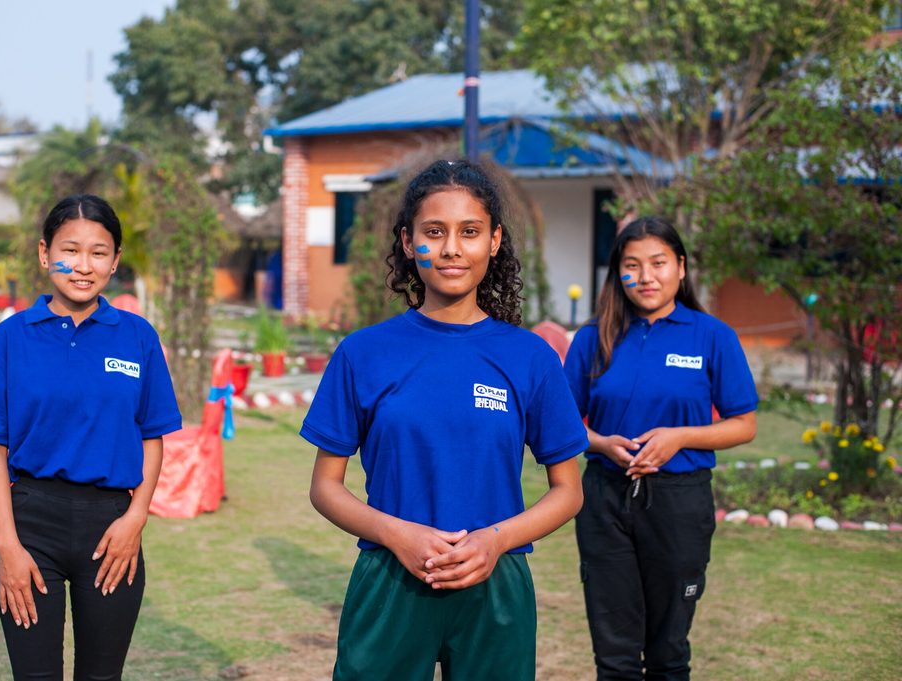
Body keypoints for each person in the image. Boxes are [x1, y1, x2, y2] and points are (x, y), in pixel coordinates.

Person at [302, 160, 588, 681]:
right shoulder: (364, 353)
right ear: (409, 244)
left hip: (495, 582)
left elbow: (568, 491)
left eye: (470, 232)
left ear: (495, 241)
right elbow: (326, 487)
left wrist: (496, 540)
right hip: (390, 578)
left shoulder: (529, 357)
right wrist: (398, 535)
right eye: (435, 232)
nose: (452, 248)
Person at [0, 194, 181, 681]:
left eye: (99, 252)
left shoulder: (137, 337)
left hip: (111, 531)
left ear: (115, 261)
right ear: (44, 254)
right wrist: (8, 548)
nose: (83, 266)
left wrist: (136, 519)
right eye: (70, 250)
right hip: (30, 528)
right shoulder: (10, 338)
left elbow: (152, 437)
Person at [563, 216, 758, 680]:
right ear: (617, 273)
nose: (645, 277)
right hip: (605, 501)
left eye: (658, 263)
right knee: (614, 657)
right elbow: (562, 422)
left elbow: (744, 424)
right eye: (632, 265)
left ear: (681, 267)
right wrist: (601, 443)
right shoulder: (594, 338)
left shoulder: (712, 336)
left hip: (679, 502)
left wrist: (681, 436)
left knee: (668, 653)